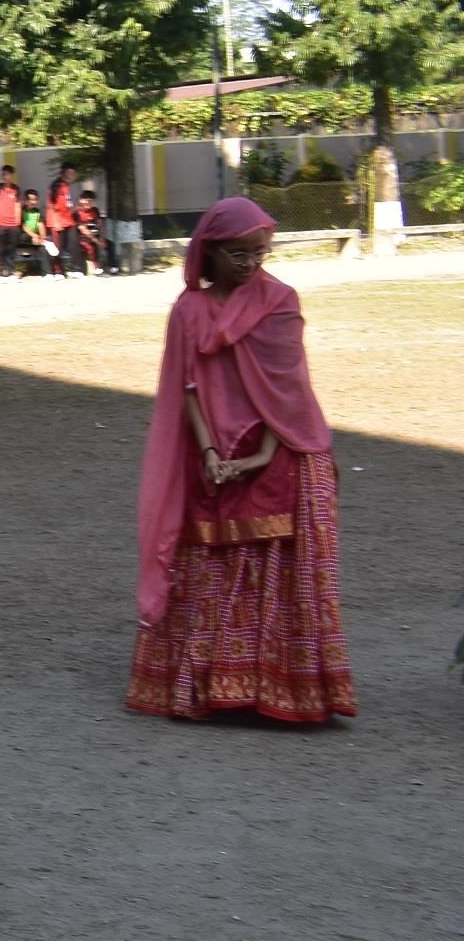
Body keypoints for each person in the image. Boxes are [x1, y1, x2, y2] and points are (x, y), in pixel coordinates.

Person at [130, 199, 353, 723]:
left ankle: (280, 687)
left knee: (273, 570)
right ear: (210, 252)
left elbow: (288, 392)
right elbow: (186, 386)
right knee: (212, 569)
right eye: (239, 253)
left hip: (279, 453)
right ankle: (212, 685)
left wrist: (259, 456)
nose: (251, 263)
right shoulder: (189, 310)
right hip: (211, 456)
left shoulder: (279, 302)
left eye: (259, 252)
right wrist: (211, 451)